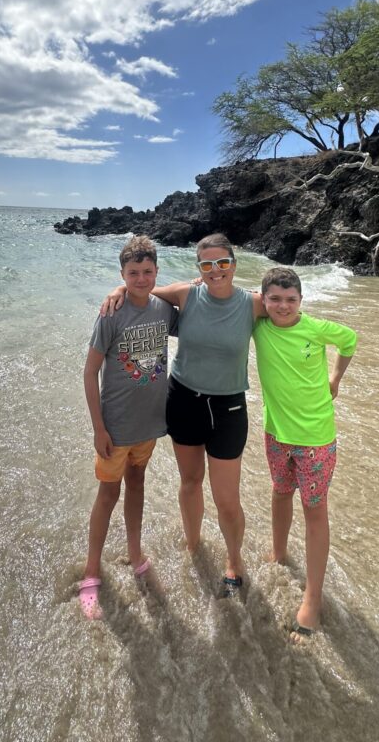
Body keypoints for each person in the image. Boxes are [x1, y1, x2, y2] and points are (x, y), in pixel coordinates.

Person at [103, 233, 265, 598]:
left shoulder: (253, 304)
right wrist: (116, 289)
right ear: (199, 269)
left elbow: (288, 312)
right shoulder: (186, 295)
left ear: (234, 264)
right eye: (207, 264)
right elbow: (141, 289)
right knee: (190, 482)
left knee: (227, 499)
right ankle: (193, 547)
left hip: (229, 408)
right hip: (184, 400)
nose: (215, 270)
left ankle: (234, 562)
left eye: (222, 263)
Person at [253, 266, 357, 642]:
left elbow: (350, 339)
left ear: (301, 301)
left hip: (315, 438)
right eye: (275, 299)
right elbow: (227, 299)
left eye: (291, 300)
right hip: (275, 434)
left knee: (315, 510)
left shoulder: (314, 328)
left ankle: (313, 597)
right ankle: (278, 552)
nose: (283, 306)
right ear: (263, 301)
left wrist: (335, 379)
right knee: (280, 493)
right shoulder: (259, 326)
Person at [78, 235, 179, 620]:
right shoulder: (111, 314)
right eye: (132, 274)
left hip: (150, 425)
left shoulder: (163, 310)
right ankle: (91, 572)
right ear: (122, 275)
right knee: (108, 495)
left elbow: (193, 300)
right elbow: (90, 373)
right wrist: (98, 429)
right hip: (116, 427)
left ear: (156, 273)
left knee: (138, 483)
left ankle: (135, 554)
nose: (140, 279)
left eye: (147, 272)